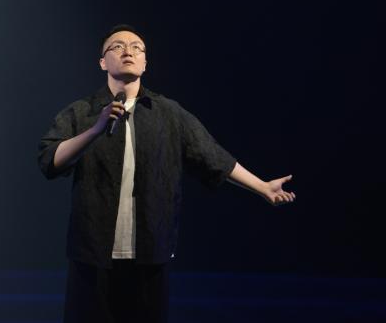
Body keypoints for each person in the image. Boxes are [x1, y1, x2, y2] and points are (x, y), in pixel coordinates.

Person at [38, 24, 295, 323]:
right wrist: (96, 129)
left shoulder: (169, 113)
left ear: (145, 63)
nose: (128, 51)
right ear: (102, 62)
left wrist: (262, 186)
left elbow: (213, 156)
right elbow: (49, 160)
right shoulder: (81, 111)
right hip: (92, 256)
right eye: (117, 46)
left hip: (150, 256)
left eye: (136, 47)